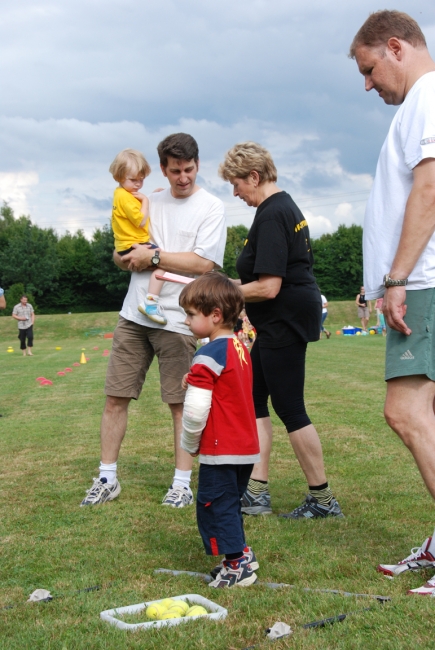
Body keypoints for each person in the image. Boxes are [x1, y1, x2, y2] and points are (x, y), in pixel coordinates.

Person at [80, 133, 226, 508]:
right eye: (175, 170)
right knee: (115, 398)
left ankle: (180, 485)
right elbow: (124, 250)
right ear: (163, 167)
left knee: (179, 404)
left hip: (180, 319)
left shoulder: (211, 207)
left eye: (189, 170)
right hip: (134, 314)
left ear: (197, 165)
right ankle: (107, 478)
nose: (182, 178)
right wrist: (125, 257)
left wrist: (155, 257)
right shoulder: (146, 198)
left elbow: (203, 264)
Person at [350, 10, 435, 594]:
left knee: (404, 413)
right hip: (420, 282)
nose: (367, 83)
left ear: (396, 48)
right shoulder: (420, 102)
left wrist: (398, 276)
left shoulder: (427, 97)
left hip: (423, 282)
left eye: (369, 68)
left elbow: (430, 188)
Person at [219, 141, 344, 519]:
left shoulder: (273, 213)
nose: (235, 191)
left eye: (236, 183)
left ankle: (323, 501)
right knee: (255, 399)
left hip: (283, 319)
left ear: (254, 176)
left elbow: (269, 286)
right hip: (280, 318)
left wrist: (223, 290)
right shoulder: (280, 207)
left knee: (290, 407)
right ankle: (256, 492)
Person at [179, 273, 260, 588]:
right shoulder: (239, 348)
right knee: (230, 502)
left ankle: (237, 565)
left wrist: (189, 441)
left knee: (214, 505)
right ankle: (240, 554)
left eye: (190, 314)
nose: (186, 321)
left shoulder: (208, 353)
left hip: (221, 446)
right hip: (245, 446)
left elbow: (197, 409)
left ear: (214, 316)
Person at [109, 148, 166, 325]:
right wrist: (147, 201)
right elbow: (141, 219)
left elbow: (134, 204)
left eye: (141, 180)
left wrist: (151, 196)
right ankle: (151, 302)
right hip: (134, 244)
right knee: (164, 263)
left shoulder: (122, 193)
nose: (138, 185)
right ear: (119, 176)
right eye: (133, 180)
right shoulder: (124, 198)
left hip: (125, 244)